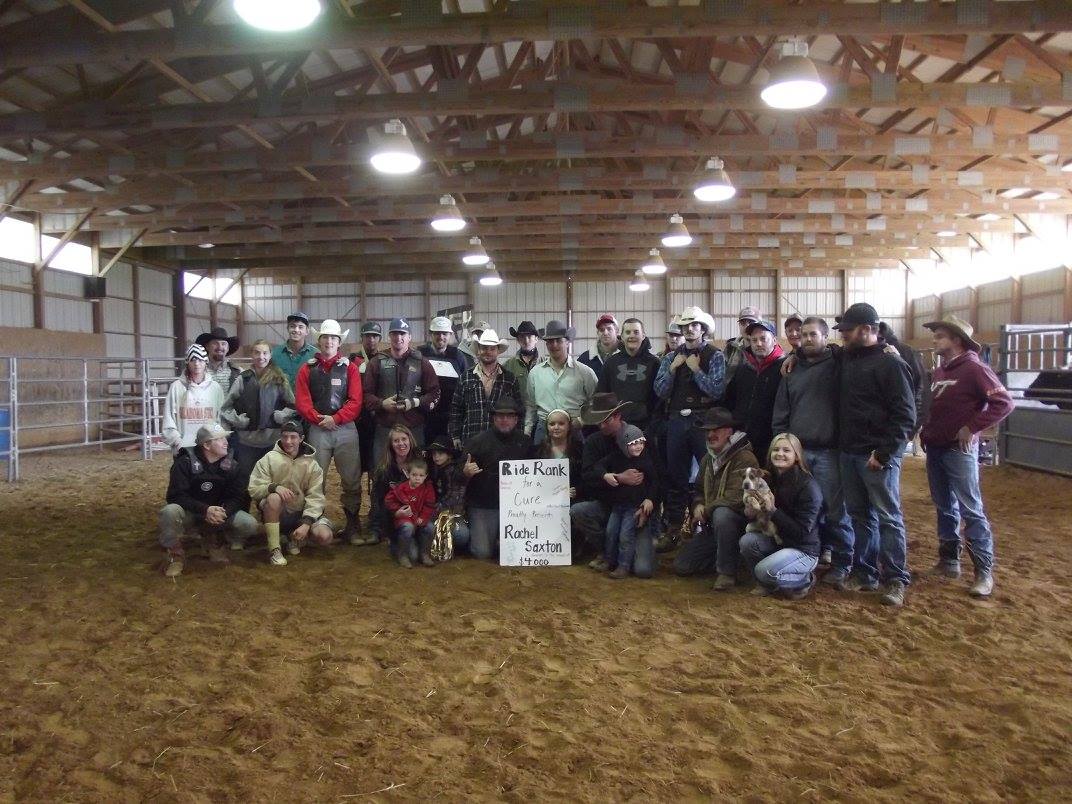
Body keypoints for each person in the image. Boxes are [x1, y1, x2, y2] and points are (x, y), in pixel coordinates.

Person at [921, 314, 1012, 598]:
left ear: (956, 340)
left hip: (957, 450)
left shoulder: (974, 368)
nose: (934, 340)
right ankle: (949, 561)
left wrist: (973, 428)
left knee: (970, 508)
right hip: (937, 447)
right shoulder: (941, 371)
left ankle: (983, 572)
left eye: (940, 336)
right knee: (944, 505)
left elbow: (1003, 402)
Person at [834, 303, 916, 607]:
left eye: (847, 330)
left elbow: (905, 415)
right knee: (859, 516)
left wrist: (884, 453)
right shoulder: (847, 358)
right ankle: (865, 572)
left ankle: (896, 578)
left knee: (888, 517)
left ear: (867, 330)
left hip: (875, 455)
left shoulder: (890, 364)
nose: (842, 335)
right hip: (849, 451)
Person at [771, 316, 856, 588]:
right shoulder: (791, 370)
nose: (807, 338)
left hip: (829, 451)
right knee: (806, 507)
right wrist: (783, 442)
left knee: (835, 509)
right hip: (800, 452)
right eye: (803, 335)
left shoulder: (838, 363)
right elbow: (782, 411)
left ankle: (843, 562)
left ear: (825, 337)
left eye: (813, 334)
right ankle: (813, 554)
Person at [654, 306, 727, 547]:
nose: (690, 330)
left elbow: (717, 391)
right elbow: (660, 391)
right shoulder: (669, 359)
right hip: (676, 419)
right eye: (686, 326)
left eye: (695, 325)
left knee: (707, 476)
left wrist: (696, 370)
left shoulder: (715, 356)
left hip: (702, 421)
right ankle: (674, 528)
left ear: (703, 329)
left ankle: (705, 529)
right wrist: (674, 369)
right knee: (676, 475)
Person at [294, 319, 364, 543]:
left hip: (344, 428)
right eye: (325, 338)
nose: (329, 342)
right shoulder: (307, 369)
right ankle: (316, 520)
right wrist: (320, 419)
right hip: (318, 428)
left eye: (333, 338)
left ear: (338, 342)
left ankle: (352, 522)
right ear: (319, 340)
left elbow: (355, 400)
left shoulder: (350, 369)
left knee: (351, 478)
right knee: (316, 477)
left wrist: (335, 418)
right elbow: (303, 401)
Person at [673, 408, 759, 590]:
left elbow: (737, 497)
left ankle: (727, 573)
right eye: (707, 431)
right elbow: (697, 490)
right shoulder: (707, 459)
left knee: (722, 514)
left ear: (729, 431)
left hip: (741, 525)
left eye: (716, 430)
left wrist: (706, 509)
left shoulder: (745, 458)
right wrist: (697, 504)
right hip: (715, 528)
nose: (710, 434)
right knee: (682, 566)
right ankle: (731, 557)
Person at [158, 422, 258, 577]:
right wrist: (205, 510)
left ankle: (213, 540)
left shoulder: (232, 465)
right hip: (191, 513)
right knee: (170, 512)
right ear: (206, 444)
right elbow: (175, 495)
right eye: (220, 439)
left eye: (225, 438)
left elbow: (238, 496)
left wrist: (223, 512)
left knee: (249, 524)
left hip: (218, 514)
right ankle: (175, 555)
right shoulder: (184, 463)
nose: (226, 442)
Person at [739, 433, 823, 599]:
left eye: (787, 450)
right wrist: (750, 511)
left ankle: (805, 579)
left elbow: (802, 532)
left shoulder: (808, 486)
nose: (780, 454)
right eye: (776, 449)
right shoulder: (768, 478)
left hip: (803, 549)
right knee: (747, 541)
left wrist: (773, 511)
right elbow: (753, 514)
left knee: (763, 571)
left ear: (797, 456)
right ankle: (768, 583)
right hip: (780, 541)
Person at [220, 338, 296, 515]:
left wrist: (281, 415)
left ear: (270, 355)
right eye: (257, 352)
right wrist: (238, 420)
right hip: (247, 442)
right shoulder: (243, 379)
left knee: (274, 481)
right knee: (244, 481)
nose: (261, 357)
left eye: (265, 353)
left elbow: (293, 405)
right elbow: (226, 407)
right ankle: (242, 521)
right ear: (251, 355)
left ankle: (272, 519)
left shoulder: (279, 379)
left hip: (272, 442)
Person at [247, 421, 334, 566]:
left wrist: (306, 523)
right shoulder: (268, 459)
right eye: (285, 437)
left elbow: (316, 497)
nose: (288, 441)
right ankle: (275, 548)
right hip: (277, 513)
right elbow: (253, 488)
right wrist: (274, 487)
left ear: (301, 438)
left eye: (293, 437)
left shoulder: (312, 465)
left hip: (301, 514)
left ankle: (295, 538)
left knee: (325, 537)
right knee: (274, 498)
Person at [461, 399, 532, 560]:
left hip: (518, 507)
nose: (504, 419)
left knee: (516, 552)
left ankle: (498, 539)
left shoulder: (525, 442)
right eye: (500, 416)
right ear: (493, 418)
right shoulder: (477, 442)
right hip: (484, 505)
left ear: (516, 419)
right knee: (482, 553)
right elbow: (457, 474)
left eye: (509, 416)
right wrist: (465, 472)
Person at [362, 317, 441, 461]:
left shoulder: (422, 362)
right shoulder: (376, 362)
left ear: (410, 336)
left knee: (416, 472)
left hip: (413, 428)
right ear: (389, 336)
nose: (398, 337)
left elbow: (434, 392)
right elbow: (366, 395)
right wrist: (381, 404)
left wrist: (415, 402)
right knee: (382, 472)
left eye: (402, 333)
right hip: (385, 428)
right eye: (394, 333)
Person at [571, 393, 632, 562]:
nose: (602, 425)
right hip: (607, 502)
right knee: (578, 511)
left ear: (618, 416)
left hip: (632, 504)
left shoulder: (636, 437)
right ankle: (605, 550)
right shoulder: (593, 441)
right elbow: (587, 477)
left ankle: (615, 551)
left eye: (606, 420)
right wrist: (614, 478)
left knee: (642, 567)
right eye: (599, 420)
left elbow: (652, 474)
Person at [594, 425, 659, 579]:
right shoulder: (616, 457)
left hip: (634, 507)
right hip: (618, 506)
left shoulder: (646, 461)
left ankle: (623, 566)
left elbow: (655, 482)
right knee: (611, 532)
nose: (638, 447)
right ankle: (610, 561)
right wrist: (606, 475)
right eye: (633, 444)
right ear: (624, 444)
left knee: (625, 535)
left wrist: (650, 499)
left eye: (641, 443)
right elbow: (598, 466)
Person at [524, 320, 598, 443]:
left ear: (568, 342)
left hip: (574, 428)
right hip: (544, 429)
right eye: (550, 341)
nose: (554, 345)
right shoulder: (535, 374)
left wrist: (581, 421)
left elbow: (595, 402)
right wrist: (527, 432)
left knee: (576, 462)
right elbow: (531, 406)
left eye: (559, 340)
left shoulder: (585, 372)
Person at [724, 319, 785, 464]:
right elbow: (731, 400)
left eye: (763, 339)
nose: (758, 344)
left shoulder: (784, 368)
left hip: (772, 441)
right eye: (754, 340)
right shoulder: (743, 370)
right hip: (742, 440)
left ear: (774, 340)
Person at [449, 328, 522, 448]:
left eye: (492, 348)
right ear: (478, 350)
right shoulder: (466, 377)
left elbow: (518, 411)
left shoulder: (509, 379)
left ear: (498, 351)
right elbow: (456, 409)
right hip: (471, 438)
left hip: (502, 442)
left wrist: (518, 438)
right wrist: (455, 435)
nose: (488, 351)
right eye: (484, 348)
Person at [597, 317, 661, 431]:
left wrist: (654, 424)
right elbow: (602, 393)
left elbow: (660, 398)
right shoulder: (611, 363)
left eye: (636, 332)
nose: (632, 335)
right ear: (621, 336)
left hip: (647, 426)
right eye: (627, 332)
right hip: (617, 426)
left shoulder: (654, 363)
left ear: (643, 335)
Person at [162, 343, 225, 454]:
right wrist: (178, 443)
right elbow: (169, 419)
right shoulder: (177, 387)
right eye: (193, 360)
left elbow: (220, 419)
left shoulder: (215, 388)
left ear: (206, 362)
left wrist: (215, 442)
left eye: (200, 360)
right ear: (187, 363)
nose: (197, 364)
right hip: (183, 448)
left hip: (209, 448)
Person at [419, 316, 473, 446]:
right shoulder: (420, 354)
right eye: (437, 333)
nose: (441, 337)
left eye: (444, 333)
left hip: (450, 416)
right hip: (425, 416)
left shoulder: (457, 355)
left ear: (450, 335)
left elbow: (465, 383)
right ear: (431, 334)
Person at [352, 321, 383, 522]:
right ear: (361, 338)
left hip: (378, 424)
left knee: (376, 471)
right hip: (356, 425)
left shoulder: (384, 360)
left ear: (379, 339)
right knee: (353, 473)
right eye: (367, 336)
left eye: (374, 336)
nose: (371, 339)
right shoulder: (351, 361)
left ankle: (375, 516)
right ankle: (352, 518)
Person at [369, 424, 419, 545]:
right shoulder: (384, 470)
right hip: (393, 516)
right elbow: (378, 500)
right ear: (391, 445)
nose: (401, 444)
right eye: (396, 441)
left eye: (404, 439)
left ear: (410, 440)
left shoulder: (421, 464)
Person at [385, 457, 437, 568]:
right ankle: (402, 554)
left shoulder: (428, 488)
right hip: (405, 519)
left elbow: (429, 505)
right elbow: (388, 500)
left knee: (430, 527)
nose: (417, 478)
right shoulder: (400, 488)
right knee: (407, 528)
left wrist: (423, 517)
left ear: (426, 476)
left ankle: (424, 553)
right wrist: (398, 510)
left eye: (421, 475)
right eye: (414, 475)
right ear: (408, 474)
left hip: (419, 519)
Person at [878, 321, 926, 437]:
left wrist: (911, 429)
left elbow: (920, 388)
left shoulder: (906, 352)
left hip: (894, 431)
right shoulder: (857, 353)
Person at [426, 436, 470, 555]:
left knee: (461, 535)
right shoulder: (433, 469)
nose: (436, 457)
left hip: (452, 513)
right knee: (428, 527)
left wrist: (437, 507)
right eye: (434, 454)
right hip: (436, 510)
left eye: (440, 453)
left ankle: (447, 546)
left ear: (449, 455)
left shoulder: (455, 471)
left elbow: (455, 495)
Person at [535, 409, 582, 502]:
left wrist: (577, 490)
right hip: (543, 500)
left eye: (561, 424)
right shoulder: (536, 451)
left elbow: (585, 478)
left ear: (569, 426)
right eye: (552, 424)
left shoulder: (580, 449)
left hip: (573, 501)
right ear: (547, 427)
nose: (556, 427)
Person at [272, 312, 317, 390]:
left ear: (307, 331)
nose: (296, 330)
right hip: (280, 401)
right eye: (292, 326)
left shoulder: (316, 354)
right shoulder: (274, 354)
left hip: (306, 401)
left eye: (300, 327)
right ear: (287, 329)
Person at [196, 326, 241, 395]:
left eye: (223, 344)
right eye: (215, 343)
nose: (220, 347)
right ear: (207, 347)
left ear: (228, 348)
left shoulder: (238, 372)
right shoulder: (196, 370)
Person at [503, 320, 541, 389]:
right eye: (522, 336)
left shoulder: (546, 364)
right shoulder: (508, 365)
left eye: (529, 336)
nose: (526, 341)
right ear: (517, 340)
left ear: (536, 339)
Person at [725, 306, 760, 373]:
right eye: (743, 323)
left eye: (751, 322)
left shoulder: (766, 349)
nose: (747, 326)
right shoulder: (731, 348)